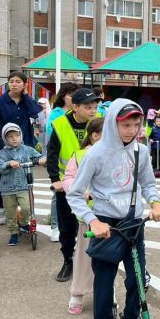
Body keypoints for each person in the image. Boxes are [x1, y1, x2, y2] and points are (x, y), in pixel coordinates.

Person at [66, 99, 160, 319]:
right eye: (126, 125)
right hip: (105, 226)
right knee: (104, 282)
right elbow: (75, 195)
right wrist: (93, 220)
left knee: (138, 279)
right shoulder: (95, 154)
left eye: (137, 124)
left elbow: (148, 184)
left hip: (134, 225)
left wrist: (155, 203)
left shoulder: (141, 151)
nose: (132, 130)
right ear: (113, 122)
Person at [47, 88, 101, 282]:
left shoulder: (100, 122)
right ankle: (68, 260)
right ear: (75, 107)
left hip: (95, 184)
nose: (93, 111)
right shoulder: (60, 124)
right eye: (88, 107)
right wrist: (55, 180)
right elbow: (52, 154)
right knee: (67, 226)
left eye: (95, 107)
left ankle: (96, 263)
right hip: (68, 184)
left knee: (96, 223)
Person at [62, 116, 104, 315]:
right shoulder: (79, 155)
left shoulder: (117, 153)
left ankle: (106, 293)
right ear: (94, 136)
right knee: (83, 256)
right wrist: (82, 191)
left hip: (112, 215)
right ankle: (77, 293)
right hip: (87, 216)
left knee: (108, 258)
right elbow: (68, 179)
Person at [0, 71, 43, 224]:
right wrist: (0, 144)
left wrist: (26, 96)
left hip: (25, 144)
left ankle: (23, 208)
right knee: (2, 176)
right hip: (3, 146)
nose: (14, 84)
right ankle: (0, 208)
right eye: (11, 81)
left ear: (25, 84)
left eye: (18, 81)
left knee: (25, 175)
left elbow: (35, 113)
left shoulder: (27, 101)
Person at [0, 123, 46, 246]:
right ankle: (13, 233)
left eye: (16, 135)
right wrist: (8, 164)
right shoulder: (2, 153)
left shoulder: (27, 149)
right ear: (5, 138)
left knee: (27, 207)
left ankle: (23, 223)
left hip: (24, 185)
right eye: (10, 136)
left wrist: (41, 160)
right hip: (8, 188)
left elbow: (38, 157)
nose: (14, 138)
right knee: (10, 212)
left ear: (21, 136)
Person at [45, 82, 80, 241]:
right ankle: (55, 226)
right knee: (57, 197)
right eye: (69, 94)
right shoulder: (56, 113)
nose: (72, 97)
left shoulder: (80, 112)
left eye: (75, 94)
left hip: (80, 166)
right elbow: (51, 131)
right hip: (62, 167)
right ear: (63, 96)